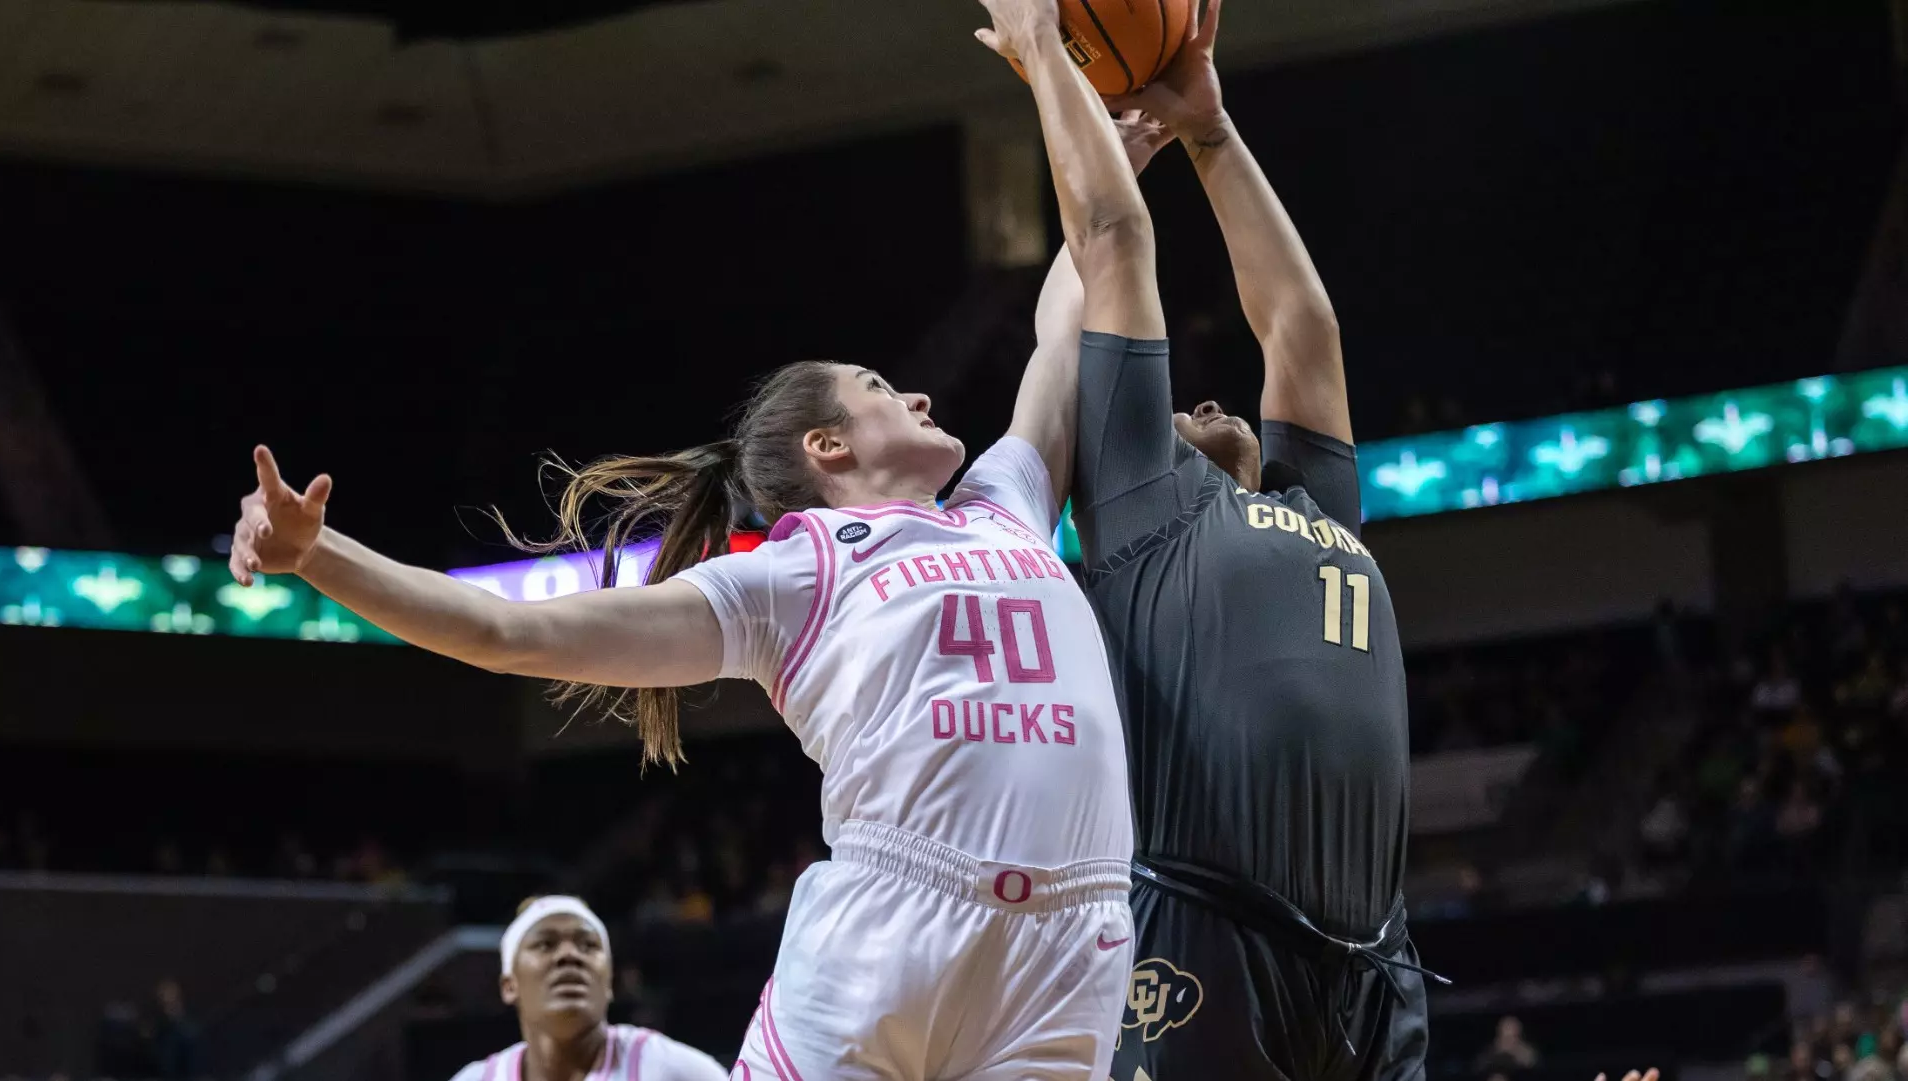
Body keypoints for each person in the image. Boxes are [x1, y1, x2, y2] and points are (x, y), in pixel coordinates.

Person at [225, 0, 1162, 1072]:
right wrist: (320, 557)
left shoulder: (1007, 498)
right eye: (874, 387)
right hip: (893, 919)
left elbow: (1074, 312)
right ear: (827, 448)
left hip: (1072, 935)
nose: (910, 389)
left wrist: (1110, 151)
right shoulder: (793, 576)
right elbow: (508, 633)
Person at [1011, 1, 1442, 1077]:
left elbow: (1300, 324)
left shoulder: (1313, 508)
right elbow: (1112, 239)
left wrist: (1211, 132)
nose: (1202, 398)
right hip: (1205, 932)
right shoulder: (1144, 512)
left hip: (1373, 960)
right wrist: (1039, 53)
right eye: (1176, 407)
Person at [447, 896, 723, 1081]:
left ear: (609, 982)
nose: (569, 955)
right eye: (545, 944)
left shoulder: (673, 1070)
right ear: (509, 986)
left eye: (588, 945)